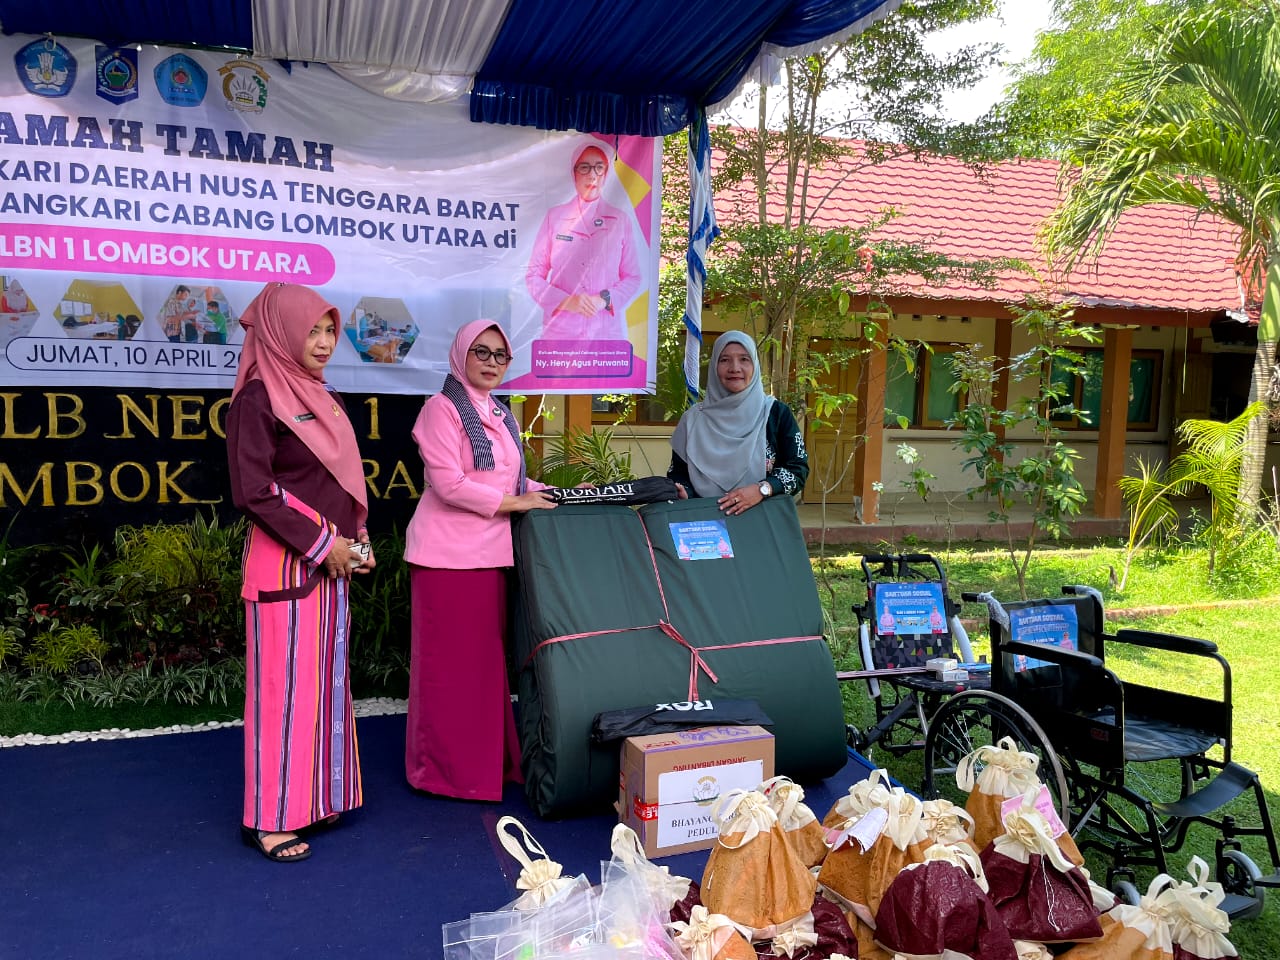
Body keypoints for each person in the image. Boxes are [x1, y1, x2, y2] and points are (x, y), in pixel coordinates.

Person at [225, 282, 374, 862]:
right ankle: (269, 820)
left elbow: (340, 481)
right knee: (282, 695)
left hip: (330, 567)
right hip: (287, 570)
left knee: (326, 687)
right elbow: (254, 491)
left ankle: (316, 798)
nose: (324, 341)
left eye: (329, 329)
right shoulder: (258, 399)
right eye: (312, 330)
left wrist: (356, 542)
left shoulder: (320, 394)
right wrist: (324, 544)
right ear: (281, 331)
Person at [403, 319, 557, 800]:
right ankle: (444, 773)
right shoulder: (441, 409)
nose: (492, 363)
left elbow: (511, 482)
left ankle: (488, 765)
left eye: (500, 355)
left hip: (490, 557)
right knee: (450, 671)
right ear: (461, 355)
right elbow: (449, 484)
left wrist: (557, 492)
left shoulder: (499, 413)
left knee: (484, 668)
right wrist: (520, 502)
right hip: (446, 560)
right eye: (481, 352)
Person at [668, 330, 809, 516]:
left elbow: (797, 470)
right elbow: (678, 475)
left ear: (755, 365)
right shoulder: (692, 420)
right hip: (705, 524)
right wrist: (684, 492)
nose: (734, 368)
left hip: (764, 521)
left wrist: (762, 489)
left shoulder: (775, 413)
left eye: (744, 359)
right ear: (714, 366)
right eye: (724, 360)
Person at [525, 143, 642, 341]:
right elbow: (533, 276)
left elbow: (633, 277)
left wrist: (604, 300)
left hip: (605, 334)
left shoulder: (620, 220)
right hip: (561, 334)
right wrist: (567, 301)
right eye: (584, 167)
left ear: (606, 174)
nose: (592, 175)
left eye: (599, 167)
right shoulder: (555, 218)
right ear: (574, 173)